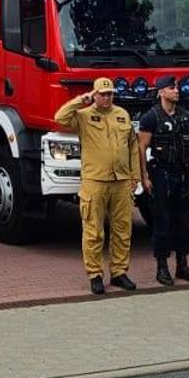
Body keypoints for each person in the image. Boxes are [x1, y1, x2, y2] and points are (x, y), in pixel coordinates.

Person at [56, 77, 141, 294]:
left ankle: (119, 272)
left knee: (122, 230)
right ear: (94, 95)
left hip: (121, 181)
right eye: (102, 94)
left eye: (110, 94)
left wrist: (135, 176)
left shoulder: (122, 114)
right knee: (94, 231)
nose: (106, 98)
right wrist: (81, 100)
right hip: (95, 181)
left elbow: (132, 146)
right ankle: (95, 274)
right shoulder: (84, 116)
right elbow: (60, 117)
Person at [139, 79, 189, 285]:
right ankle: (162, 267)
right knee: (162, 222)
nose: (176, 91)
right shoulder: (151, 117)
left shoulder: (186, 117)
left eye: (177, 88)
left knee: (183, 222)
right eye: (172, 88)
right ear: (162, 92)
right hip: (161, 175)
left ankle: (182, 265)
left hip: (183, 175)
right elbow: (141, 148)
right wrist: (144, 176)